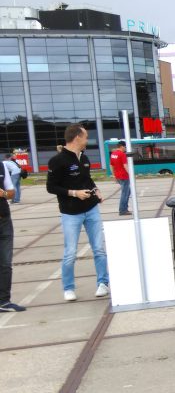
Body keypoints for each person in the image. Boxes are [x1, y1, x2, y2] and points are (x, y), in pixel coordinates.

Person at [46, 124, 109, 301]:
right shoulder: (57, 161)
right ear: (77, 138)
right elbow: (51, 187)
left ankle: (103, 283)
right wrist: (74, 193)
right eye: (86, 136)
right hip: (70, 213)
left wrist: (96, 190)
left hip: (91, 209)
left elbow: (87, 179)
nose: (87, 140)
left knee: (99, 249)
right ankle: (68, 288)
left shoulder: (84, 158)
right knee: (70, 252)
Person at [0, 158, 24, 311]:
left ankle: (4, 301)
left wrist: (4, 193)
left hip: (4, 220)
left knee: (6, 264)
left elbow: (11, 192)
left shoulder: (1, 166)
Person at [107, 141, 130, 215]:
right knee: (125, 193)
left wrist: (114, 175)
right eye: (125, 147)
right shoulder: (122, 154)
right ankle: (123, 210)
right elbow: (125, 165)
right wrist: (131, 174)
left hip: (118, 176)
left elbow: (111, 165)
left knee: (128, 191)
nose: (125, 148)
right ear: (122, 146)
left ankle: (125, 208)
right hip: (124, 176)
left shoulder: (113, 154)